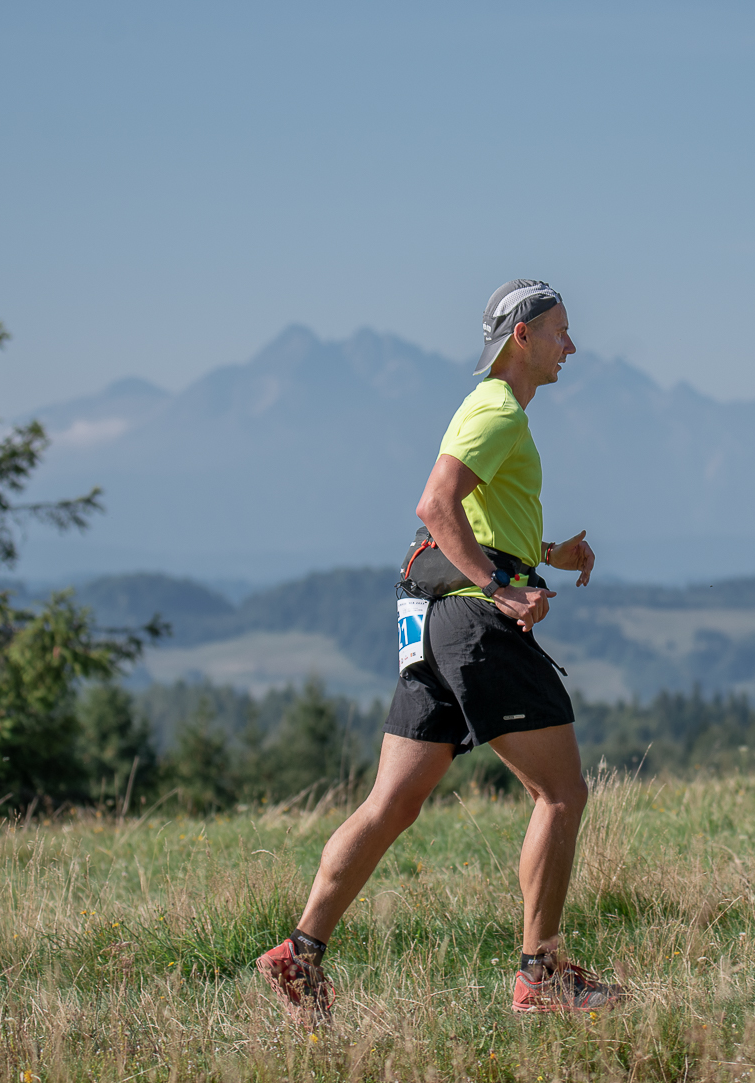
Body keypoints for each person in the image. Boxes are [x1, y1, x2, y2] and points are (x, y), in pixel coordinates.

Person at [255, 279, 622, 1021]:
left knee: (392, 803)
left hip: (427, 622)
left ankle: (299, 953)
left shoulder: (488, 409)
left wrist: (545, 552)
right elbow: (435, 504)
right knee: (561, 793)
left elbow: (476, 522)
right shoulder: (497, 410)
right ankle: (542, 974)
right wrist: (502, 588)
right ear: (522, 336)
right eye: (560, 331)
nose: (572, 346)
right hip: (472, 622)